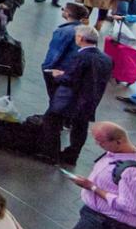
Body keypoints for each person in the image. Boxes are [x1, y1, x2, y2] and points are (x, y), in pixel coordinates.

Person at [47, 25, 116, 167]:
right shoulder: (107, 59)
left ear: (81, 38)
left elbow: (71, 79)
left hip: (72, 99)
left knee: (52, 121)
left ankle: (51, 153)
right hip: (91, 99)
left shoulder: (81, 56)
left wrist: (58, 76)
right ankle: (73, 155)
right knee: (80, 128)